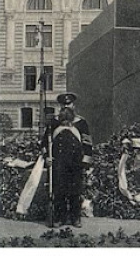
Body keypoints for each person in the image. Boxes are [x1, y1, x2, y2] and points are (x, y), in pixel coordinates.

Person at [42, 92, 92, 228]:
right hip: (58, 162)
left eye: (68, 104)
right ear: (60, 106)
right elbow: (45, 143)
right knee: (59, 190)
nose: (66, 106)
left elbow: (87, 143)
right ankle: (60, 218)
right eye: (64, 104)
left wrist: (85, 162)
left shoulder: (81, 123)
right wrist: (47, 158)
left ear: (73, 105)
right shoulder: (53, 122)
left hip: (76, 162)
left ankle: (75, 218)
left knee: (75, 190)